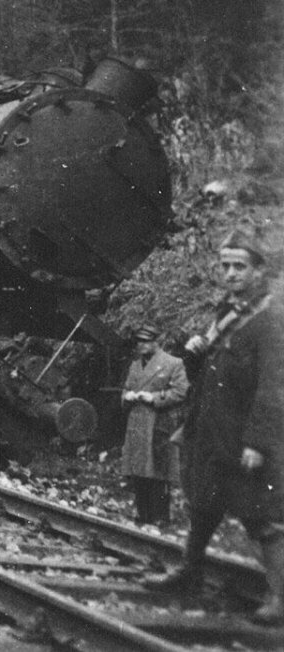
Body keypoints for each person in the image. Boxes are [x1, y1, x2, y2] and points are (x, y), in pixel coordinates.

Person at [146, 230, 284, 626]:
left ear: (259, 271)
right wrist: (193, 355)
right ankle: (190, 571)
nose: (231, 273)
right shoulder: (227, 313)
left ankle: (279, 597)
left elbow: (272, 388)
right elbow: (207, 376)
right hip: (211, 431)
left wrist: (257, 443)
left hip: (244, 438)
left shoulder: (270, 320)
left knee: (261, 518)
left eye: (240, 266)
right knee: (203, 505)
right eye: (225, 266)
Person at [120, 325, 188, 526]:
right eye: (138, 342)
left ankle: (160, 517)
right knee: (139, 471)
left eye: (145, 341)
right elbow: (126, 389)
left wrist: (155, 397)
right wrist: (127, 396)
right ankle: (143, 515)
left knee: (159, 471)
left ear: (156, 342)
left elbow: (181, 391)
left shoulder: (173, 363)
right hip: (137, 423)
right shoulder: (135, 365)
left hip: (159, 423)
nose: (141, 345)